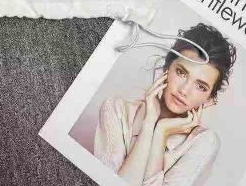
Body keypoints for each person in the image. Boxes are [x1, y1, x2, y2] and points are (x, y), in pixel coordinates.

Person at [93, 22, 236, 185]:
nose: (184, 90)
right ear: (166, 69)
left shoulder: (203, 142)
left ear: (209, 99)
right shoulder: (116, 109)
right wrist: (149, 124)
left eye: (200, 86)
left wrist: (161, 132)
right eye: (181, 73)